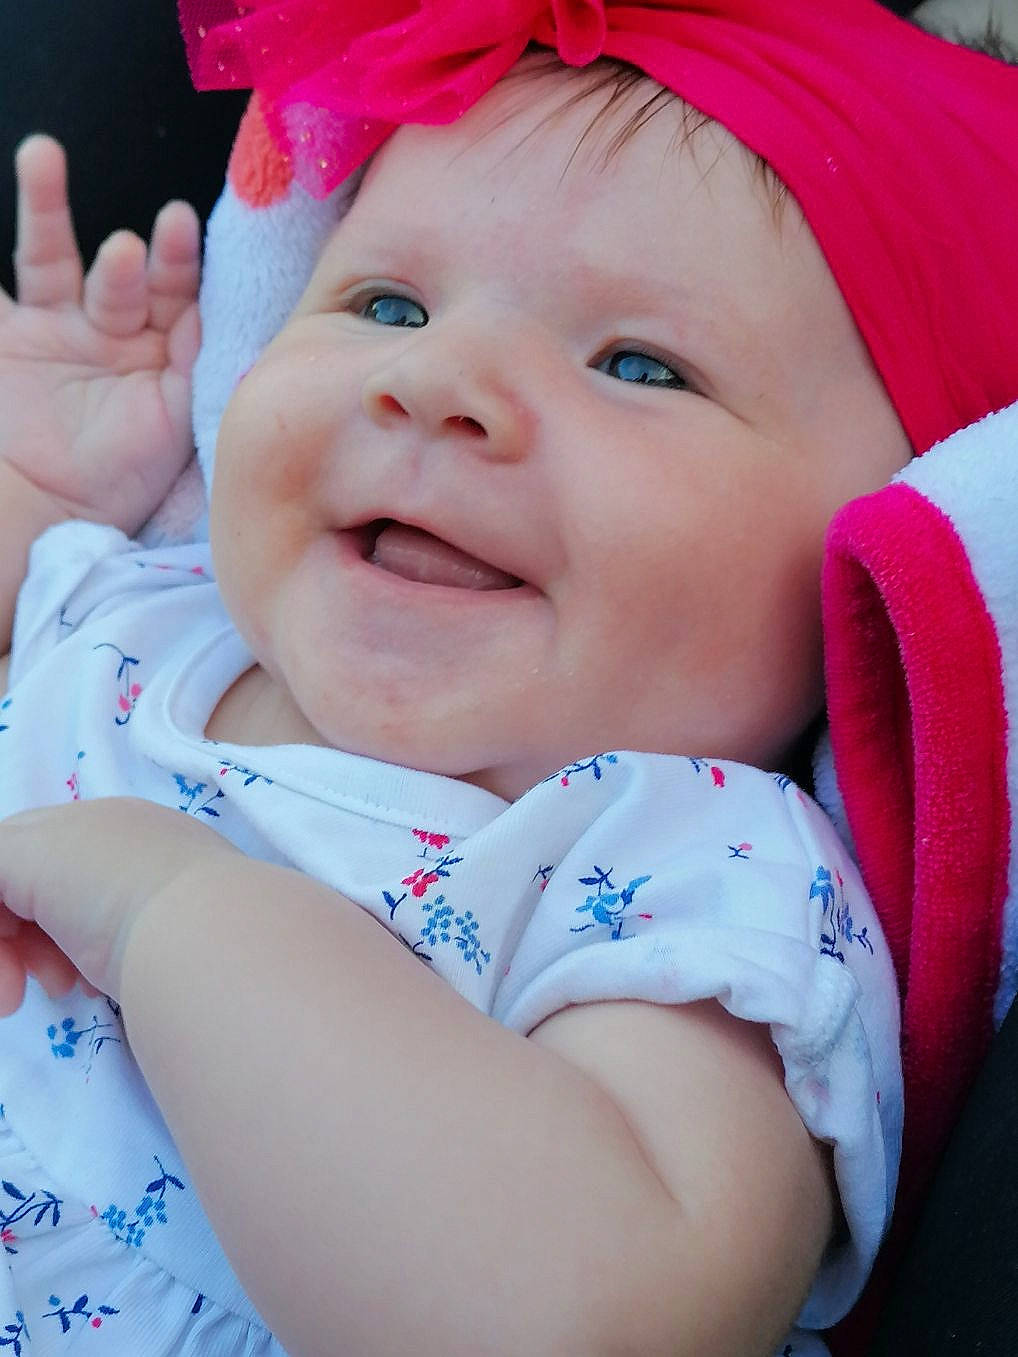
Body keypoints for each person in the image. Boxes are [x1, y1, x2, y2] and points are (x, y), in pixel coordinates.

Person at [0, 2, 1014, 1354]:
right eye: (385, 302)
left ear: (881, 537)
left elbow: (595, 1313)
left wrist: (177, 915)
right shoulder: (152, 605)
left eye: (638, 366)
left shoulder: (686, 881)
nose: (437, 378)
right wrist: (30, 506)